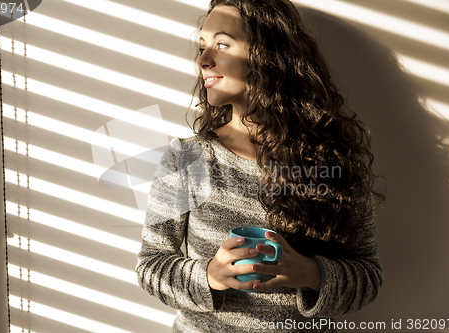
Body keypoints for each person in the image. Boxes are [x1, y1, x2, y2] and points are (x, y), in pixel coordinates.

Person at [136, 0, 385, 332]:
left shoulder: (330, 160)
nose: (202, 60)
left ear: (267, 55)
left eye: (222, 44)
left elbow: (367, 275)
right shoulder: (188, 159)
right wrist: (211, 275)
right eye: (202, 46)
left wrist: (309, 273)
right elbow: (151, 267)